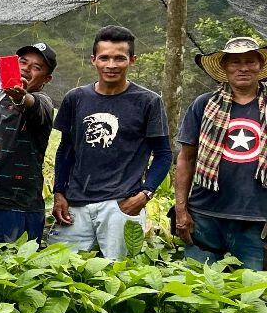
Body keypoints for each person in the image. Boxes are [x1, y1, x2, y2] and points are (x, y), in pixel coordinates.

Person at [52, 26, 172, 259]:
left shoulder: (148, 102)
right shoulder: (75, 98)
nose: (111, 65)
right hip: (75, 203)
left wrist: (145, 195)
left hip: (122, 204)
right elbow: (65, 150)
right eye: (104, 57)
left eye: (119, 58)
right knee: (59, 268)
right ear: (93, 60)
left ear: (132, 60)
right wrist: (59, 192)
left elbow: (163, 154)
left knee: (121, 271)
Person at [173, 37, 267, 269]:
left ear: (260, 65)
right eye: (235, 62)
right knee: (197, 284)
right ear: (225, 67)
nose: (243, 68)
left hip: (256, 219)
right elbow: (186, 158)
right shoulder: (204, 104)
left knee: (250, 288)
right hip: (204, 215)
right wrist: (181, 210)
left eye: (250, 61)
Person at [0, 43, 57, 242]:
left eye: (36, 67)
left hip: (16, 209)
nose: (26, 68)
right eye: (22, 62)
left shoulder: (43, 102)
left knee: (9, 260)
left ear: (46, 79)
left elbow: (32, 105)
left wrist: (21, 98)